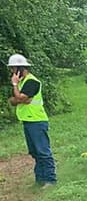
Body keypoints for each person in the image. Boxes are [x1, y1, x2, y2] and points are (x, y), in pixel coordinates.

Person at [8, 54, 55, 186]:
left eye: (13, 69)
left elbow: (21, 98)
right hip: (28, 121)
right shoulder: (23, 83)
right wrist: (18, 96)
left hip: (37, 121)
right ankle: (40, 179)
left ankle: (50, 179)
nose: (12, 72)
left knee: (43, 151)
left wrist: (15, 86)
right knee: (34, 152)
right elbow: (14, 100)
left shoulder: (32, 82)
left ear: (20, 68)